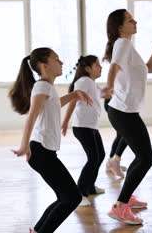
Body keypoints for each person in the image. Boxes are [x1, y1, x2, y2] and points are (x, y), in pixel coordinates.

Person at [103, 9, 152, 224]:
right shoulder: (122, 44)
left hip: (126, 111)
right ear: (119, 26)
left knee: (142, 157)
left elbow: (149, 68)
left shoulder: (127, 47)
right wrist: (108, 86)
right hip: (123, 112)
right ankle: (120, 206)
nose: (135, 21)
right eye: (130, 20)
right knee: (145, 158)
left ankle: (126, 196)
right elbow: (114, 67)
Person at [10, 48, 92, 232]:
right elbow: (31, 117)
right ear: (44, 65)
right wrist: (24, 146)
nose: (61, 62)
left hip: (44, 152)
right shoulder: (43, 87)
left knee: (65, 198)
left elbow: (54, 105)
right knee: (72, 198)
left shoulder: (46, 87)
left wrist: (74, 94)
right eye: (57, 59)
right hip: (40, 152)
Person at [62, 55, 108, 206]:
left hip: (91, 127)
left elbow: (104, 94)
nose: (100, 67)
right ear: (88, 68)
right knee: (93, 158)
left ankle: (90, 186)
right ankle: (80, 192)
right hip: (82, 127)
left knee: (100, 155)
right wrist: (65, 121)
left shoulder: (92, 84)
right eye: (97, 65)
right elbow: (74, 99)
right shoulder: (83, 81)